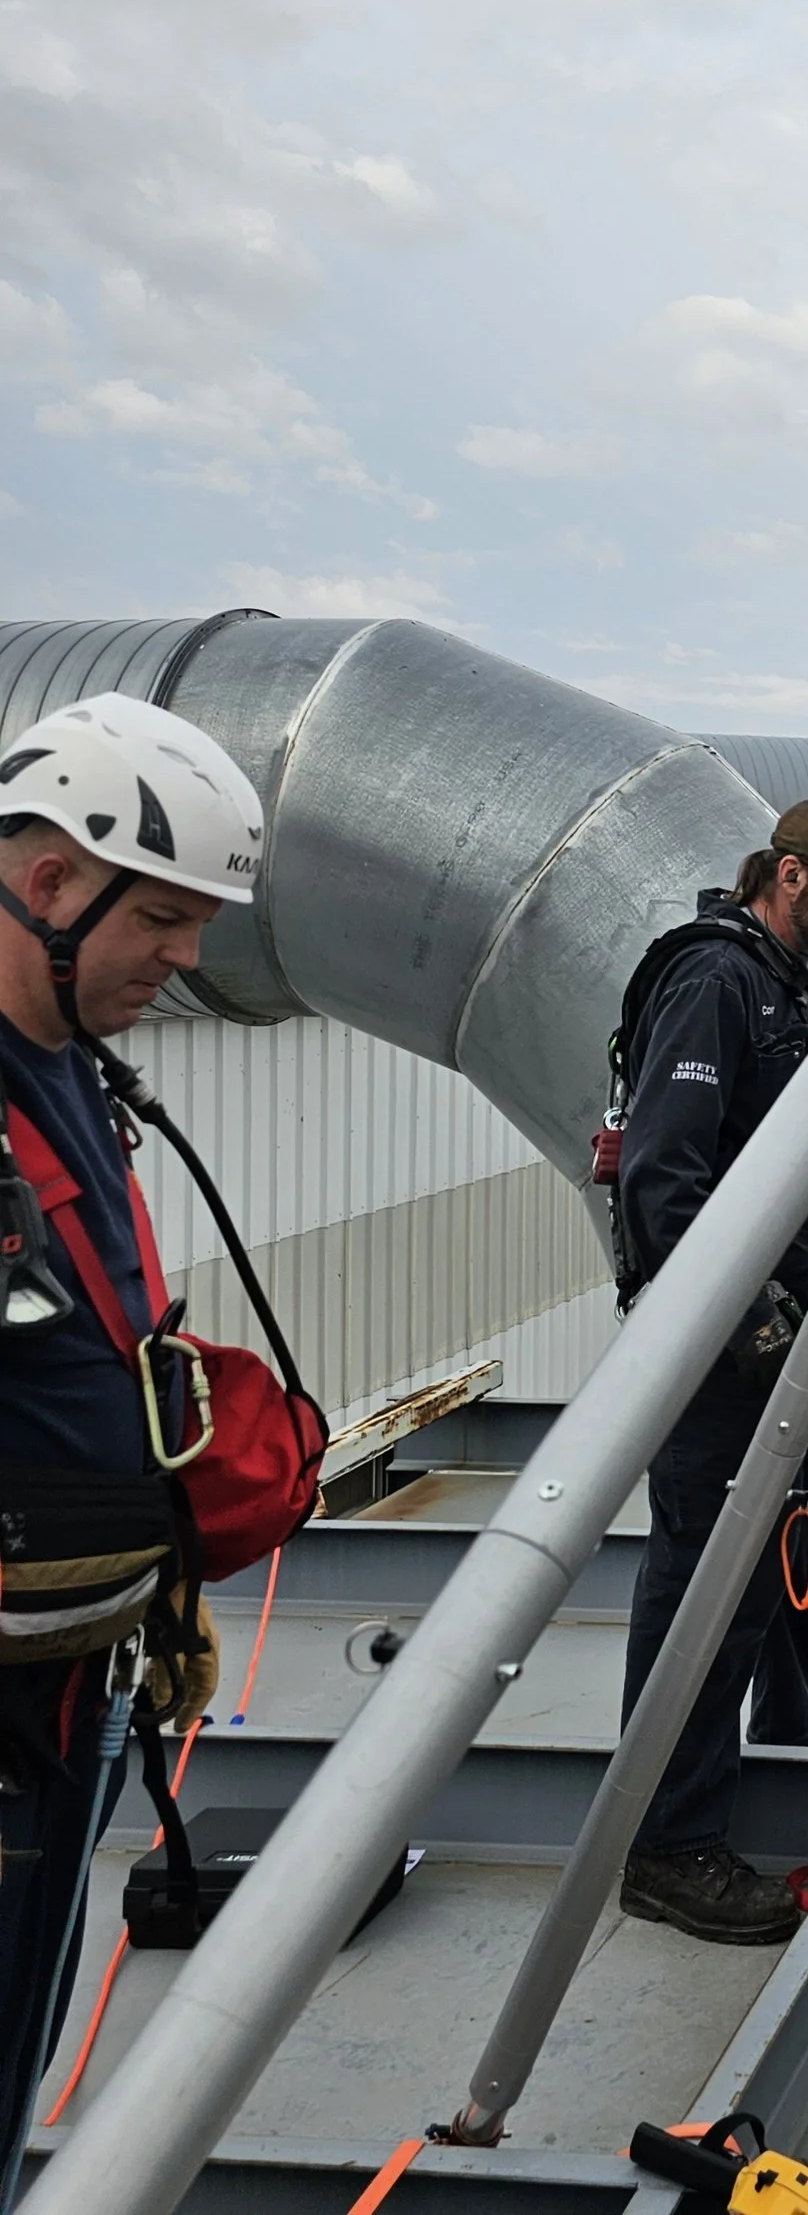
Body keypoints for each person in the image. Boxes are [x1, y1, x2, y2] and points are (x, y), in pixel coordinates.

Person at [0, 693, 263, 2177]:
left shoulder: (74, 1075)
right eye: (165, 919)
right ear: (50, 884)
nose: (188, 959)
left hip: (71, 1696)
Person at [611, 794, 808, 1946]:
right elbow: (661, 1179)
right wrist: (751, 1322)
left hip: (786, 1335)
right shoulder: (716, 981)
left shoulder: (787, 983)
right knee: (709, 1572)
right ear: (787, 874)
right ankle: (665, 1843)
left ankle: (792, 1715)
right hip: (724, 1345)